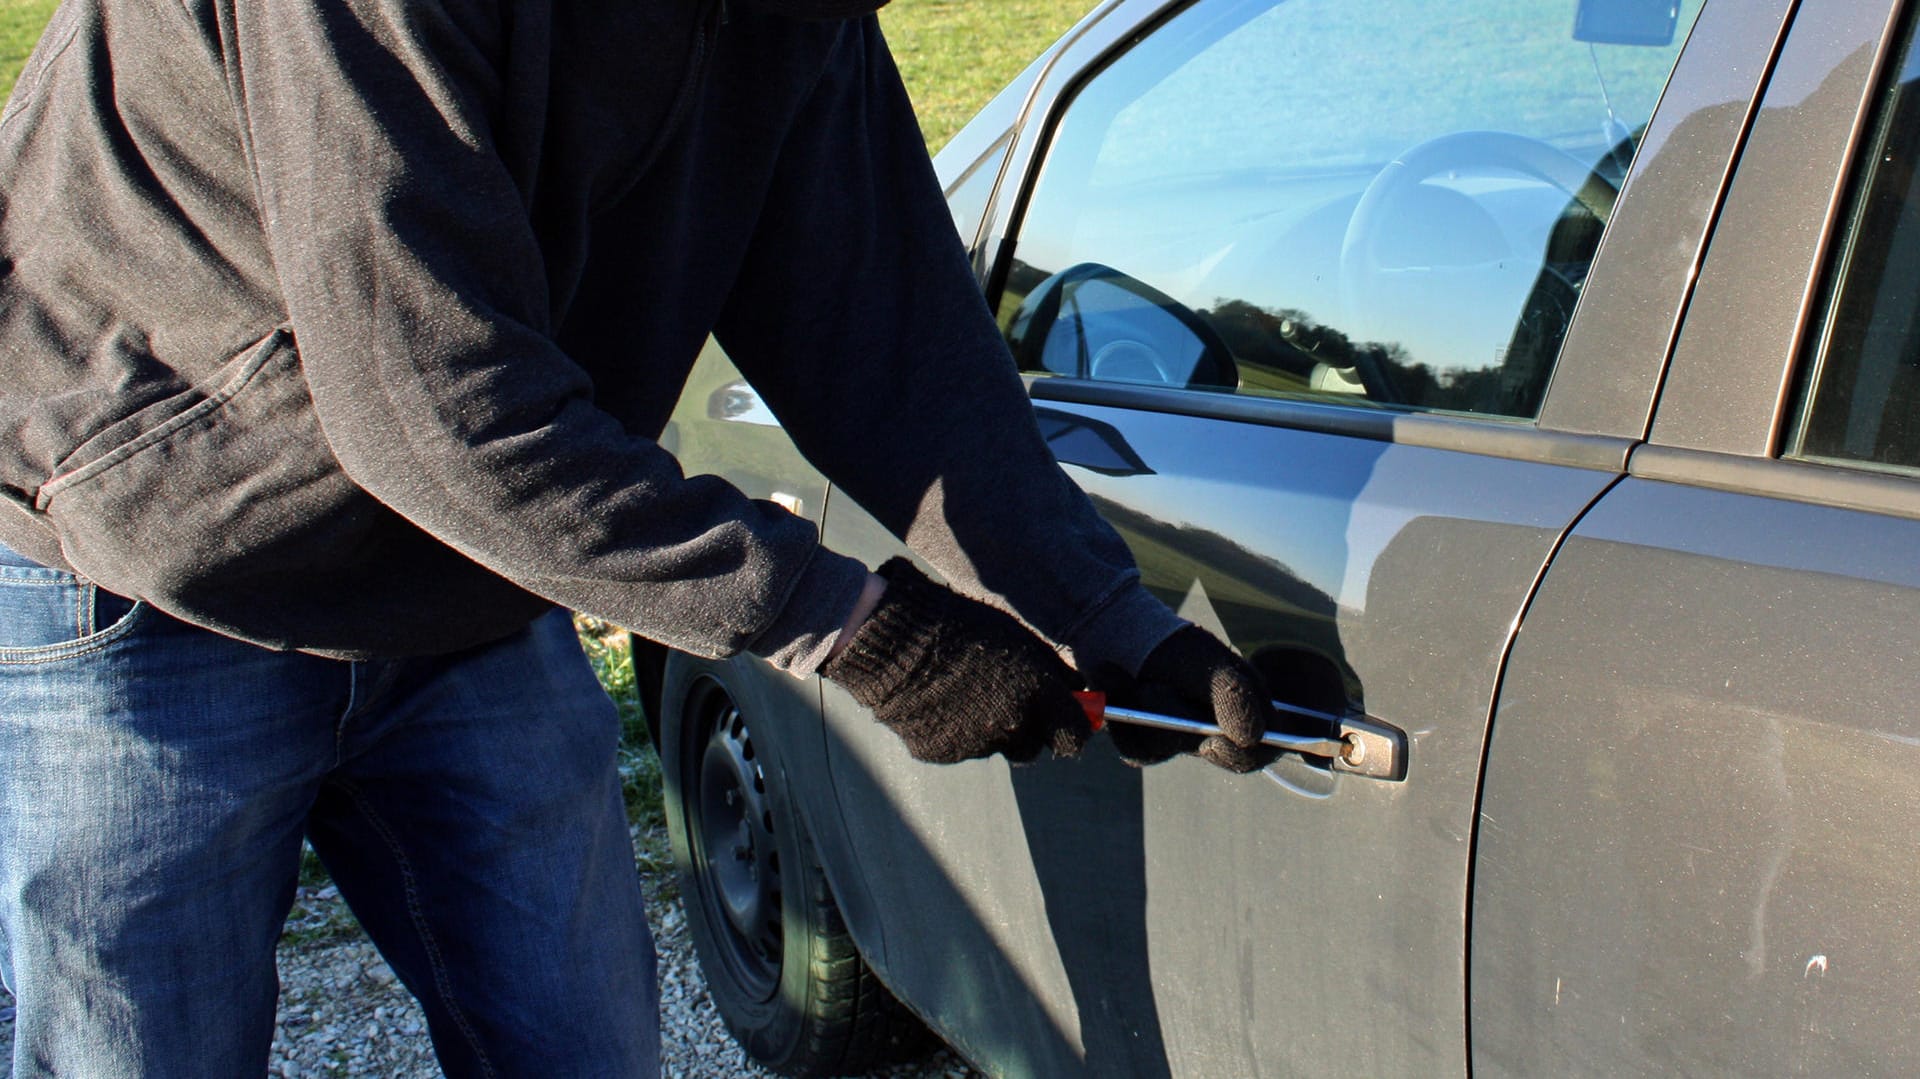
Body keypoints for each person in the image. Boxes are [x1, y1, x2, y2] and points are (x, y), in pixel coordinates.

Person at [0, 0, 1275, 1074]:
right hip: (147, 558)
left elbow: (893, 344)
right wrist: (854, 628)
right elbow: (430, 404)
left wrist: (1104, 615)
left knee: (583, 1043)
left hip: (471, 583)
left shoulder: (796, 19)